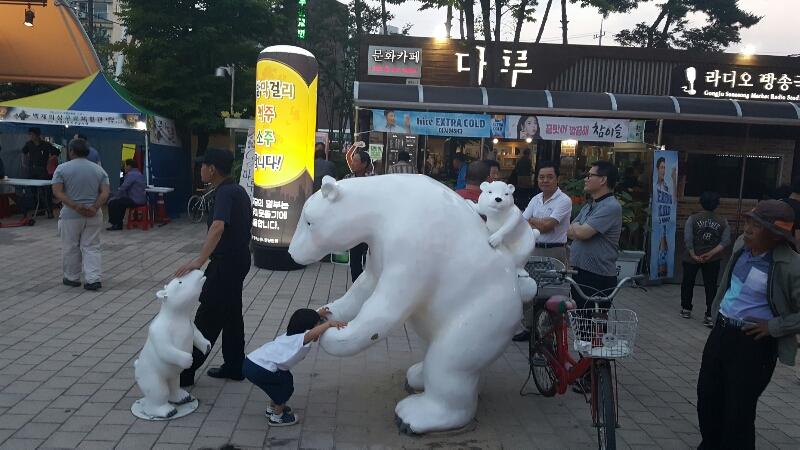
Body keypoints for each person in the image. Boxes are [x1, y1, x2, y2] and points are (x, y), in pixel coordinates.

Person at [697, 200, 800, 450]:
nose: (749, 229)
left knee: (738, 410)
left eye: (758, 226)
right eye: (749, 222)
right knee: (708, 397)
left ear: (776, 236)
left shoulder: (791, 265)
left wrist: (773, 327)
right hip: (722, 331)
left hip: (753, 344)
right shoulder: (742, 246)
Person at [177, 148, 252, 387]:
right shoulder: (236, 190)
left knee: (208, 316)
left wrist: (199, 260)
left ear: (212, 169)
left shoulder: (224, 194)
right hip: (238, 260)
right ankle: (235, 366)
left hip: (226, 265)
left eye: (203, 165)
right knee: (231, 315)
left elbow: (218, 226)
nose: (200, 169)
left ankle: (184, 373)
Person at [567, 161, 621, 393]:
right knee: (581, 324)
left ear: (604, 180)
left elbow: (582, 232)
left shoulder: (610, 206)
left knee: (593, 327)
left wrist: (578, 230)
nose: (586, 179)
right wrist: (577, 229)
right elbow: (572, 228)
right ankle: (587, 369)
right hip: (581, 273)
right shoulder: (591, 205)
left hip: (597, 276)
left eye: (590, 175)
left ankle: (592, 375)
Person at [243, 307, 346, 426]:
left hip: (251, 362)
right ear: (308, 328)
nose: (319, 326)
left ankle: (272, 408)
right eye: (318, 324)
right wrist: (329, 324)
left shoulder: (291, 334)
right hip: (260, 368)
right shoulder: (300, 339)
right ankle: (277, 417)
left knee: (276, 384)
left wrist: (318, 315)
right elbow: (312, 333)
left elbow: (305, 323)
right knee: (285, 385)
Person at [513, 161, 573, 342]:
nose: (545, 180)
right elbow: (521, 222)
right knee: (530, 291)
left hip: (555, 252)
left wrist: (532, 219)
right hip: (533, 250)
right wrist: (533, 220)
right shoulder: (536, 198)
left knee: (552, 292)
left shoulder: (564, 200)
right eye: (541, 177)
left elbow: (548, 226)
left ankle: (549, 332)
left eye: (549, 177)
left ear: (557, 179)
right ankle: (530, 329)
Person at [51, 138, 110, 291]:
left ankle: (72, 277)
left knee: (70, 246)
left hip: (71, 215)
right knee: (92, 246)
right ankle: (93, 279)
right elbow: (105, 193)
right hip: (94, 215)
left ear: (71, 151)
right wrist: (95, 207)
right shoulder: (99, 170)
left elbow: (57, 192)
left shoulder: (62, 169)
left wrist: (75, 206)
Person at [680, 191, 730, 326]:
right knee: (711, 285)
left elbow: (688, 238)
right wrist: (711, 253)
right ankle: (709, 314)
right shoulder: (722, 221)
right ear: (717, 205)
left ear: (701, 203)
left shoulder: (693, 218)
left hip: (691, 257)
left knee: (688, 282)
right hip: (712, 259)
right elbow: (725, 242)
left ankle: (686, 308)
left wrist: (693, 254)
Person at [342, 145, 374, 282]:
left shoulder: (374, 180)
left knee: (372, 257)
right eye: (353, 160)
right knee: (355, 259)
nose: (353, 163)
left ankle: (370, 283)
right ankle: (357, 285)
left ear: (364, 164)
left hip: (370, 224)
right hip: (353, 225)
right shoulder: (347, 178)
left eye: (356, 161)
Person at [21, 127, 56, 218]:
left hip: (43, 171)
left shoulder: (46, 144)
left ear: (37, 135)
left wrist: (50, 162)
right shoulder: (28, 144)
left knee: (46, 191)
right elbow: (23, 153)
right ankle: (40, 210)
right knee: (34, 191)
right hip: (32, 170)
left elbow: (56, 152)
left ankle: (49, 212)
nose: (30, 136)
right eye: (29, 134)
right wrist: (24, 163)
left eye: (32, 134)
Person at [106, 159, 147, 231]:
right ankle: (119, 223)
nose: (124, 168)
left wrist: (114, 197)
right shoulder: (139, 173)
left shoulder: (131, 174)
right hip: (142, 199)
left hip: (134, 200)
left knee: (113, 202)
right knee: (121, 202)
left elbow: (124, 188)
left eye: (125, 166)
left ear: (129, 166)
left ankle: (116, 224)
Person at [781, 176, 800, 242]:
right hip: (788, 249)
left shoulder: (778, 202)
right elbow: (798, 239)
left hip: (771, 248)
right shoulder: (798, 210)